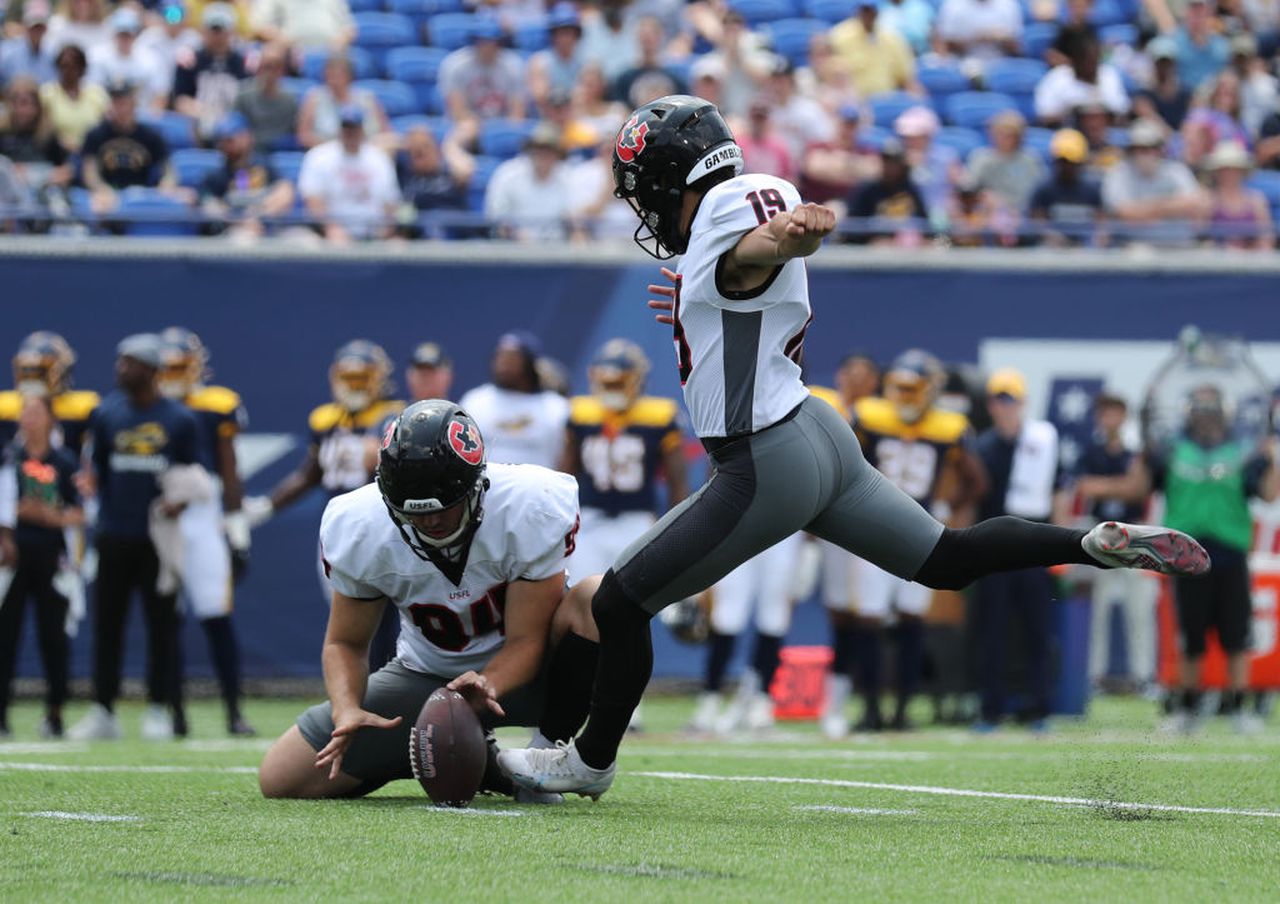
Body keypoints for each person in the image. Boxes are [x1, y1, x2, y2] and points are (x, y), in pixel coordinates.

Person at [496, 94, 1208, 799]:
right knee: (945, 560)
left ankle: (583, 759)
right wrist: (704, 291)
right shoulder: (728, 224)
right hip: (820, 434)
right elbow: (749, 269)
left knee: (614, 605)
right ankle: (1088, 544)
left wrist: (795, 236)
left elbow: (764, 246)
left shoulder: (728, 213)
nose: (642, 208)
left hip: (763, 460)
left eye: (644, 190)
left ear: (670, 178)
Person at [257, 401, 599, 800]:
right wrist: (346, 707)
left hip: (530, 672)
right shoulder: (360, 524)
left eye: (445, 508)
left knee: (593, 600)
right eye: (414, 511)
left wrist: (487, 683)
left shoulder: (526, 503)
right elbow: (344, 643)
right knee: (282, 777)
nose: (431, 522)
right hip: (428, 674)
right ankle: (493, 768)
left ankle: (555, 754)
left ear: (476, 485)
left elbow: (526, 641)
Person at [1081, 386, 1279, 734]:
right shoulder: (1172, 451)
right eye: (1200, 410)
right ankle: (1187, 709)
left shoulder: (1242, 453)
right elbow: (1138, 489)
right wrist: (1142, 452)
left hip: (1231, 554)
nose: (1205, 416)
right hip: (1185, 553)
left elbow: (1269, 492)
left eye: (1211, 409)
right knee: (1190, 638)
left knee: (1236, 637)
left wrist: (1271, 453)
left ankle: (1238, 709)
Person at [835, 350, 986, 733]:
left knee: (910, 620)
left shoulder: (948, 427)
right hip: (872, 527)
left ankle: (901, 710)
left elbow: (978, 481)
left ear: (930, 390)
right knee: (868, 618)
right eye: (900, 388)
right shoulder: (869, 416)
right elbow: (843, 462)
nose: (905, 397)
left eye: (912, 388)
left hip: (921, 530)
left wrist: (946, 506)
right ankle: (871, 708)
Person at [68, 334, 200, 741]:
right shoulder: (107, 414)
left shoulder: (179, 420)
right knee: (108, 626)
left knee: (162, 627)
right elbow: (100, 474)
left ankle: (158, 708)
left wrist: (178, 501)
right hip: (114, 535)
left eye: (128, 363)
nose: (120, 369)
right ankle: (103, 709)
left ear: (149, 369)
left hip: (157, 542)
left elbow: (193, 479)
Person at [156, 327, 255, 736]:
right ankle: (174, 712)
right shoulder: (144, 408)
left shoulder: (217, 405)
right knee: (166, 620)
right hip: (161, 517)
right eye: (168, 368)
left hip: (204, 516)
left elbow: (229, 473)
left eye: (181, 367)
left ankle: (233, 711)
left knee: (216, 614)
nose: (175, 376)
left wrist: (237, 531)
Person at [971, 369, 1064, 732]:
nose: (1004, 407)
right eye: (999, 400)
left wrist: (1060, 549)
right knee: (991, 632)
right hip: (994, 550)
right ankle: (990, 710)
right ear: (991, 405)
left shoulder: (1042, 442)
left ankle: (1039, 709)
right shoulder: (982, 447)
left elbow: (1057, 494)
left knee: (1037, 632)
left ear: (1022, 403)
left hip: (1033, 547)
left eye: (1010, 400)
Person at [560, 339, 687, 587]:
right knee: (580, 593)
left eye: (618, 382)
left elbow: (677, 483)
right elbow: (565, 474)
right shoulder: (581, 412)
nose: (611, 388)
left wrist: (678, 533)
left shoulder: (659, 415)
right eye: (607, 382)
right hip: (589, 520)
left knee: (631, 600)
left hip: (636, 521)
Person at [0, 395, 82, 739]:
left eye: (36, 412)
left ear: (51, 419)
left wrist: (50, 516)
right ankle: (2, 715)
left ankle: (55, 712)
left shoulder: (65, 461)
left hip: (52, 558)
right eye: (25, 412)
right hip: (13, 558)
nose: (29, 418)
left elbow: (79, 511)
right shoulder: (9, 458)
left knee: (54, 638)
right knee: (5, 637)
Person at [1070, 393, 1158, 694]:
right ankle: (1093, 676)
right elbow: (1083, 486)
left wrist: (1107, 487)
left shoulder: (1134, 453)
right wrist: (1122, 487)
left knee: (1140, 607)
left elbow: (1140, 490)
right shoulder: (1089, 452)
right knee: (1097, 608)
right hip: (1098, 534)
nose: (1111, 420)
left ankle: (1144, 676)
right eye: (1105, 413)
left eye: (1116, 413)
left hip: (1134, 534)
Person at [459, 331, 570, 470]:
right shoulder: (475, 401)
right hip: (485, 489)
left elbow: (568, 458)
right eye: (500, 357)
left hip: (538, 489)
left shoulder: (557, 408)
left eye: (512, 358)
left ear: (530, 364)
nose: (503, 364)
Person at [297, 104, 399, 243]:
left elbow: (390, 205)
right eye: (346, 129)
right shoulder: (319, 156)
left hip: (374, 233)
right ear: (339, 130)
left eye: (354, 129)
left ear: (362, 130)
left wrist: (384, 233)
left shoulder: (379, 159)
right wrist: (331, 228)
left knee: (398, 245)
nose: (350, 134)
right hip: (330, 233)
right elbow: (314, 201)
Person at [1102, 118, 1207, 245]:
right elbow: (1126, 213)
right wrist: (1173, 208)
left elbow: (1195, 204)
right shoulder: (1118, 173)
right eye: (1139, 148)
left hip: (1179, 245)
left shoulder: (1176, 170)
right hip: (1133, 247)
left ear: (1160, 150)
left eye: (1151, 148)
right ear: (1131, 150)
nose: (1145, 153)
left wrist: (1148, 210)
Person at [80, 78, 176, 214]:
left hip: (141, 196)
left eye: (124, 102)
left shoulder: (150, 136)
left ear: (134, 103)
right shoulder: (96, 134)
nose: (120, 108)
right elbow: (89, 172)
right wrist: (102, 189)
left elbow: (168, 171)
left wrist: (165, 188)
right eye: (116, 102)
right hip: (105, 195)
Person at [198, 111, 295, 238]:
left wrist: (259, 214)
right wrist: (241, 221)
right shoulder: (215, 177)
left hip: (269, 229)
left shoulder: (265, 166)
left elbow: (285, 192)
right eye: (223, 141)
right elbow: (213, 209)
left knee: (304, 241)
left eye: (231, 139)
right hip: (233, 233)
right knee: (245, 238)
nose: (226, 145)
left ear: (247, 136)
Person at [0, 331, 99, 452]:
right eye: (28, 371)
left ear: (62, 371)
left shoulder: (84, 408)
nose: (33, 378)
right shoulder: (5, 407)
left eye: (40, 371)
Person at [483, 123, 574, 241]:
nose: (543, 154)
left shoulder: (568, 177)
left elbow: (576, 218)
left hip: (559, 250)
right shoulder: (508, 174)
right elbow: (496, 217)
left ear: (558, 153)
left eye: (549, 149)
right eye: (539, 149)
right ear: (530, 150)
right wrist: (514, 234)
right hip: (513, 249)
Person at [438, 17, 527, 125]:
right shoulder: (455, 65)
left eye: (492, 42)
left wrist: (505, 132)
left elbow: (517, 112)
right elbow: (458, 111)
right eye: (482, 42)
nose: (487, 47)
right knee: (467, 128)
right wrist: (480, 127)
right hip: (466, 125)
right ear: (474, 42)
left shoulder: (514, 65)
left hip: (503, 124)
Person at [1028, 127, 1106, 245]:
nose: (1066, 167)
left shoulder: (1092, 190)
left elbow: (1101, 224)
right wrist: (1054, 239)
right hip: (1052, 251)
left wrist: (1093, 242)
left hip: (1086, 250)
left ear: (1080, 163)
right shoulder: (1044, 189)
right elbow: (1037, 224)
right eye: (1062, 161)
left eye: (1071, 162)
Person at [1033, 31, 1130, 126]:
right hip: (1069, 134)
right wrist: (1072, 114)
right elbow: (1044, 117)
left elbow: (1121, 112)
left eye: (1095, 60)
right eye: (1088, 61)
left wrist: (1099, 112)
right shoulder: (1057, 78)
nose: (1092, 66)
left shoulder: (1108, 75)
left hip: (1104, 134)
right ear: (1076, 61)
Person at [296, 54, 389, 151]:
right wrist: (336, 149)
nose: (333, 80)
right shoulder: (314, 99)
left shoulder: (367, 99)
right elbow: (304, 136)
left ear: (350, 76)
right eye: (330, 75)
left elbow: (385, 133)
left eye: (338, 75)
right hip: (327, 154)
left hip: (366, 153)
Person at [829, 0, 919, 98]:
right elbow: (831, 75)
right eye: (864, 11)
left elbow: (906, 78)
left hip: (886, 99)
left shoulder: (891, 38)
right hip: (854, 99)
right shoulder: (839, 37)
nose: (868, 16)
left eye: (871, 11)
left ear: (877, 13)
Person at [846, 138, 929, 245]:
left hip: (908, 247)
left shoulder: (911, 189)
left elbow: (924, 224)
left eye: (894, 162)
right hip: (872, 248)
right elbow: (854, 227)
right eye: (887, 161)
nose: (890, 166)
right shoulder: (868, 189)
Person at [799, 103, 880, 206]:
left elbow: (874, 172)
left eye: (852, 126)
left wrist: (835, 163)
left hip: (853, 209)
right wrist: (854, 168)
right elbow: (814, 168)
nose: (847, 130)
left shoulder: (866, 150)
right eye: (844, 125)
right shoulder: (818, 146)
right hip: (815, 206)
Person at [87, 6, 166, 112]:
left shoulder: (151, 58)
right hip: (107, 117)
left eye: (128, 35)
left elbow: (160, 94)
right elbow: (92, 91)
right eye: (121, 34)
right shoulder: (98, 56)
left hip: (141, 117)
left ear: (135, 35)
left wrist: (152, 117)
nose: (124, 39)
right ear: (114, 34)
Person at [968, 110, 1046, 214]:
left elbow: (1043, 191)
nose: (1008, 139)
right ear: (993, 134)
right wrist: (985, 197)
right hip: (991, 217)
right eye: (1003, 134)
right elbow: (968, 188)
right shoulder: (982, 158)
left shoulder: (1031, 159)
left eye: (1013, 135)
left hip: (1026, 217)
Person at [1201, 139, 1273, 249]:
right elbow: (1202, 239)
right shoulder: (1207, 200)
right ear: (1216, 172)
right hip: (1216, 262)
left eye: (1234, 169)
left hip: (1252, 261)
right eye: (1225, 169)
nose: (1230, 173)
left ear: (1242, 171)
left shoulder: (1256, 200)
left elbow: (1266, 238)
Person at [39, 43, 108, 152]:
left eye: (74, 66)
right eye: (64, 66)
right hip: (57, 152)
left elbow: (105, 125)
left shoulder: (97, 93)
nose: (69, 70)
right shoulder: (47, 93)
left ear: (82, 68)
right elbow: (42, 130)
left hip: (91, 151)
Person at [232, 41, 297, 154]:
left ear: (282, 70)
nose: (270, 72)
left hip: (280, 153)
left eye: (276, 67)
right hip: (250, 154)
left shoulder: (290, 100)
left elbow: (294, 135)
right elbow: (236, 130)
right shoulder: (243, 96)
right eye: (267, 67)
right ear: (259, 68)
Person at [610, 16, 685, 108]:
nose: (647, 39)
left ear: (661, 37)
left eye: (652, 34)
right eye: (643, 35)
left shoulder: (675, 77)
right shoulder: (624, 78)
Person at [528, 2, 583, 107]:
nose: (564, 38)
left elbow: (586, 97)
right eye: (560, 32)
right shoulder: (539, 61)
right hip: (548, 119)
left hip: (577, 118)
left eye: (568, 32)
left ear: (576, 34)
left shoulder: (584, 61)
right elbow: (541, 97)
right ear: (552, 35)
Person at [933, 0, 1022, 65]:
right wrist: (976, 38)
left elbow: (1017, 49)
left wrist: (1003, 38)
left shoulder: (1008, 5)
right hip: (962, 63)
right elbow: (943, 46)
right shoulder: (953, 6)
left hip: (1001, 63)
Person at [1133, 36, 1192, 134]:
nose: (1164, 67)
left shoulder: (1186, 93)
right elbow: (1150, 117)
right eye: (1160, 63)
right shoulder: (1143, 95)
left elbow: (1192, 119)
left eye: (1168, 63)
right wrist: (1173, 138)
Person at [251, 0, 355, 52]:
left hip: (331, 53)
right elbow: (258, 26)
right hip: (291, 52)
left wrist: (338, 44)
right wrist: (281, 39)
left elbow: (349, 29)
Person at [1174, 0, 1229, 92]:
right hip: (1183, 99)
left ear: (1209, 13)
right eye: (1193, 9)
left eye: (1201, 10)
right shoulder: (1173, 44)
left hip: (1213, 99)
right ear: (1186, 13)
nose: (1197, 15)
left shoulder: (1221, 45)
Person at [0, 0, 55, 87]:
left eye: (40, 27)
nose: (36, 31)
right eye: (33, 27)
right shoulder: (6, 53)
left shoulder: (52, 57)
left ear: (46, 28)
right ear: (24, 25)